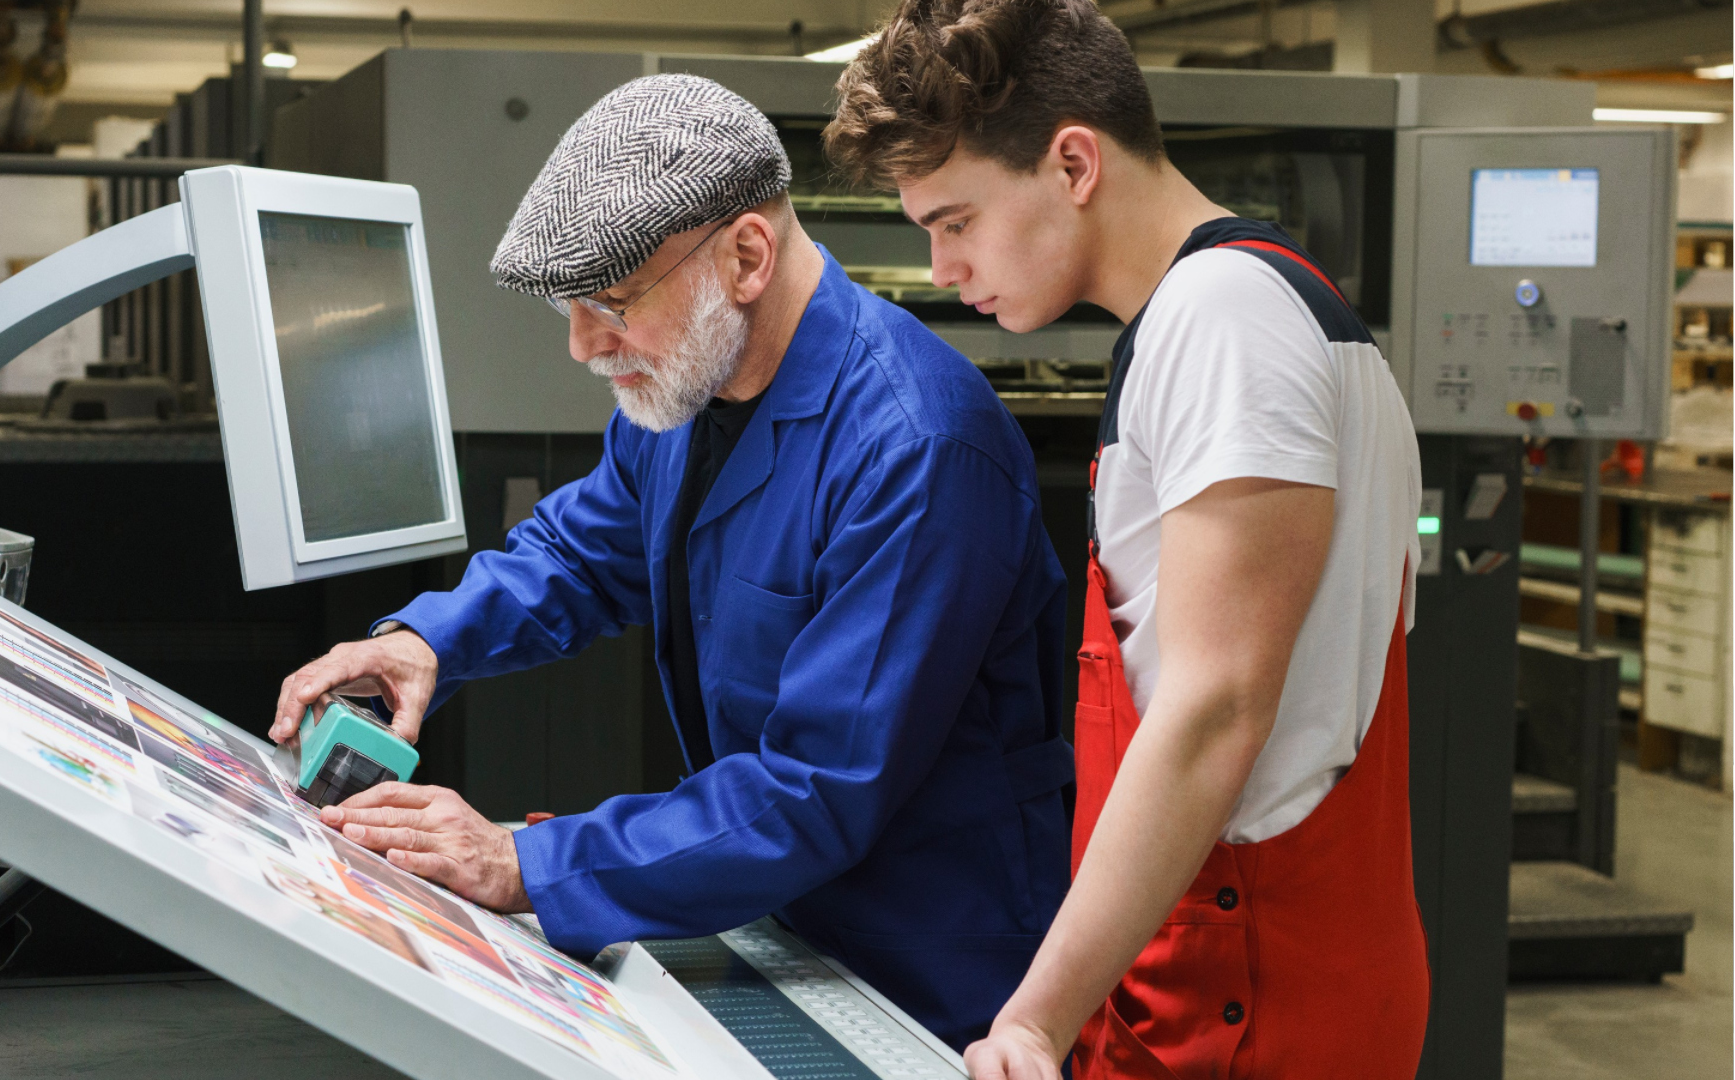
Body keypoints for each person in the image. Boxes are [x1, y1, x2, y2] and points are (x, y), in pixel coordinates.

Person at [267, 74, 1075, 1051]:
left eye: (608, 302)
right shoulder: (687, 391)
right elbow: (580, 553)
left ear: (744, 256)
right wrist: (427, 642)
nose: (581, 347)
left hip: (936, 978)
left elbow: (814, 787)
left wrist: (522, 862)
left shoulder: (917, 448)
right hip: (784, 925)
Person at [824, 2, 1428, 1078]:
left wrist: (1033, 1018)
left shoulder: (1222, 321)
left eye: (956, 220)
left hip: (1246, 991)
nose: (944, 268)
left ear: (1071, 163)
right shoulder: (1262, 304)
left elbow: (1212, 709)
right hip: (1248, 961)